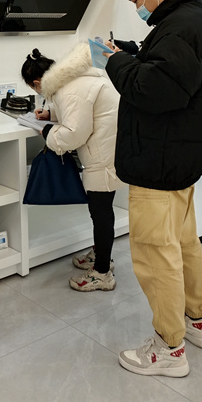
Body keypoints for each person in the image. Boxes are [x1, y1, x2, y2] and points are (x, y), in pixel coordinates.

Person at [103, 0, 202, 378]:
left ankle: (169, 348)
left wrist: (113, 62)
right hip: (178, 160)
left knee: (156, 254)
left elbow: (153, 88)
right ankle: (198, 321)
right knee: (184, 246)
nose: (138, 7)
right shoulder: (190, 18)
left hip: (159, 162)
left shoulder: (181, 25)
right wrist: (132, 51)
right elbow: (169, 68)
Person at [21, 44, 123, 291]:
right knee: (101, 210)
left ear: (37, 83)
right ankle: (101, 255)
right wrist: (51, 115)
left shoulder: (69, 91)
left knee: (100, 212)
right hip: (110, 147)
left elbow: (74, 134)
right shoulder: (74, 79)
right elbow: (80, 109)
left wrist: (48, 132)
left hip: (103, 155)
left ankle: (102, 272)